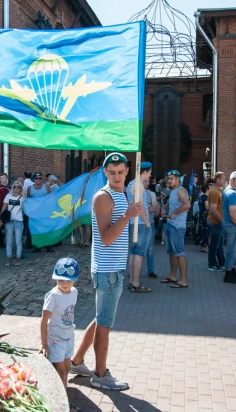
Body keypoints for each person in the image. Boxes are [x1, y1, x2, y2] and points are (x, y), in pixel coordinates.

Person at [69, 152, 141, 390]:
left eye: (121, 172)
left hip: (116, 267)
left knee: (101, 319)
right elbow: (107, 237)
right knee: (105, 324)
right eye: (112, 173)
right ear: (105, 172)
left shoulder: (123, 193)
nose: (117, 176)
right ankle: (100, 375)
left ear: (127, 171)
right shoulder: (103, 197)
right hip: (107, 269)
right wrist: (127, 215)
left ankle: (77, 361)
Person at [40, 258, 80, 392]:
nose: (64, 283)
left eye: (68, 280)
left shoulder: (74, 292)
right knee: (61, 371)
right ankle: (64, 403)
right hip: (56, 339)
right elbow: (44, 320)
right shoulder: (53, 296)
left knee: (67, 368)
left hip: (69, 336)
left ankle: (62, 392)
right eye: (61, 279)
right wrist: (44, 344)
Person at [160, 169, 191, 289]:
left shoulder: (181, 191)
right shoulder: (174, 191)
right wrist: (165, 208)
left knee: (179, 253)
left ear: (178, 179)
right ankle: (172, 276)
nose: (169, 181)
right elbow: (171, 203)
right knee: (172, 252)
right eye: (168, 179)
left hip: (178, 227)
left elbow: (187, 205)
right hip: (170, 225)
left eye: (171, 179)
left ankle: (183, 280)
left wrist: (173, 213)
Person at [126, 161, 153, 292]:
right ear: (144, 172)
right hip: (141, 223)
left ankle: (132, 281)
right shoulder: (139, 185)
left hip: (132, 222)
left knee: (133, 252)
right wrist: (147, 222)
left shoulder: (131, 183)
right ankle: (136, 283)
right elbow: (140, 204)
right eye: (149, 172)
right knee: (139, 253)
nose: (150, 175)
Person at [27, 172, 53, 253]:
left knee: (46, 227)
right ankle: (37, 246)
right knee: (36, 228)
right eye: (36, 178)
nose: (38, 180)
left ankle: (48, 246)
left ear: (42, 179)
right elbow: (28, 199)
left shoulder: (46, 186)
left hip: (44, 211)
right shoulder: (30, 188)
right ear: (34, 179)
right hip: (35, 212)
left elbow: (50, 197)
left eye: (40, 178)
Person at [0, 181, 24, 266]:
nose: (16, 189)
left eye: (18, 187)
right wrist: (0, 219)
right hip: (9, 221)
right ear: (12, 188)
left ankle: (18, 259)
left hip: (18, 221)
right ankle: (9, 259)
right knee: (9, 241)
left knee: (18, 241)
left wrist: (23, 191)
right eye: (15, 187)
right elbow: (4, 207)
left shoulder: (22, 197)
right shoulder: (8, 196)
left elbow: (25, 205)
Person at [207, 172, 226, 271]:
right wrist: (222, 221)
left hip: (218, 222)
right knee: (214, 244)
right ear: (218, 180)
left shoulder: (220, 191)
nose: (224, 181)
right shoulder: (214, 192)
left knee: (219, 244)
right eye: (223, 179)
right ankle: (212, 264)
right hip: (215, 222)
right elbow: (213, 209)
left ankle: (221, 262)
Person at [145, 179, 159, 278]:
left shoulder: (151, 194)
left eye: (147, 181)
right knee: (136, 249)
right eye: (144, 181)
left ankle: (151, 270)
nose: (146, 183)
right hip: (138, 224)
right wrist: (147, 207)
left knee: (150, 249)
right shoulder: (135, 193)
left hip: (150, 223)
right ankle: (134, 271)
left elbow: (155, 209)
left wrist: (142, 207)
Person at [197, 181, 213, 253]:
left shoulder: (201, 196)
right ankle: (204, 246)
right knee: (205, 231)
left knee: (203, 230)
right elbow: (207, 207)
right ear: (207, 189)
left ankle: (205, 246)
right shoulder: (206, 197)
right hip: (205, 216)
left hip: (201, 215)